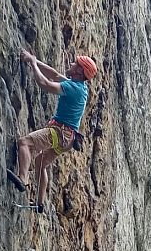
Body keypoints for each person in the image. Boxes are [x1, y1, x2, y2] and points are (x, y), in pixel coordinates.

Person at [7, 49, 98, 211]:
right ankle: (40, 203)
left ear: (79, 71)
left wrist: (33, 64)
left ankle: (23, 179)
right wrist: (32, 59)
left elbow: (46, 84)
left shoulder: (73, 88)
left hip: (59, 132)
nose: (71, 64)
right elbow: (54, 74)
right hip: (68, 139)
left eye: (75, 63)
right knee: (40, 163)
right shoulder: (81, 87)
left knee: (24, 143)